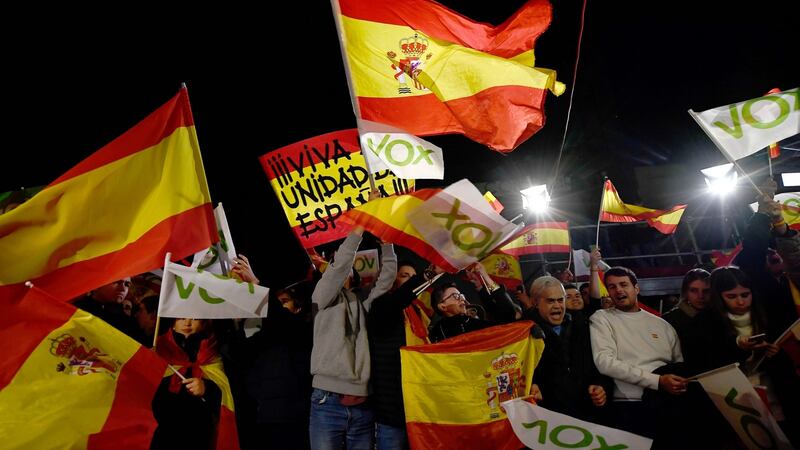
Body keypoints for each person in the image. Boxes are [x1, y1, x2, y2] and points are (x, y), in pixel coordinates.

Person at [309, 225, 397, 450]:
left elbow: (387, 278)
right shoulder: (321, 298)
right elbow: (338, 268)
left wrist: (386, 244)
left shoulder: (363, 304)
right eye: (336, 266)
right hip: (328, 401)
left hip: (363, 405)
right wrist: (359, 228)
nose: (341, 269)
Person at [589, 266, 686, 442]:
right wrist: (657, 381)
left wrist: (671, 384)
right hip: (628, 407)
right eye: (612, 286)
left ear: (636, 288)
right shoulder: (601, 318)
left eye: (623, 284)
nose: (618, 290)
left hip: (669, 403)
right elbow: (604, 362)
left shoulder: (663, 325)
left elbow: (678, 364)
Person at [369, 261, 442, 450]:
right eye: (404, 275)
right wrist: (430, 273)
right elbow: (400, 298)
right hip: (392, 412)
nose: (410, 280)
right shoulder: (381, 307)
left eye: (413, 276)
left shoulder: (421, 313)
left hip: (419, 408)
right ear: (391, 280)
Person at [525, 276, 609, 422]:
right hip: (549, 416)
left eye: (560, 300)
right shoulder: (525, 333)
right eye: (551, 301)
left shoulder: (581, 326)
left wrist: (600, 385)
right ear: (535, 303)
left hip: (587, 412)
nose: (557, 306)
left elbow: (597, 362)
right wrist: (531, 384)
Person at [245, 283, 314, 450]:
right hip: (265, 416)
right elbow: (237, 352)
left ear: (298, 308)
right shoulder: (264, 335)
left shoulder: (303, 330)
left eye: (284, 301)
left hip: (293, 417)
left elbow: (281, 317)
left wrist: (257, 287)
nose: (279, 307)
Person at [151, 318, 226, 449]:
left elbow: (225, 396)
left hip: (198, 433)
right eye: (181, 317)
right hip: (161, 432)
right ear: (173, 322)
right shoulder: (158, 349)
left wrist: (206, 389)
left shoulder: (212, 352)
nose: (187, 322)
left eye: (194, 318)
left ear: (204, 323)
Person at [428, 263, 517, 343]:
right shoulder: (437, 332)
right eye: (455, 296)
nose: (461, 299)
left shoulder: (474, 324)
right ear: (442, 306)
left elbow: (508, 316)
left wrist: (485, 278)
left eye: (461, 295)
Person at [74, 277, 139, 338]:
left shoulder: (127, 322)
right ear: (96, 285)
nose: (123, 289)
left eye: (127, 284)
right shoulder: (76, 310)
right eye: (116, 281)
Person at [662, 268, 711, 346]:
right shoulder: (670, 321)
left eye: (706, 291)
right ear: (686, 292)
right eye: (694, 290)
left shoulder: (720, 317)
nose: (700, 296)